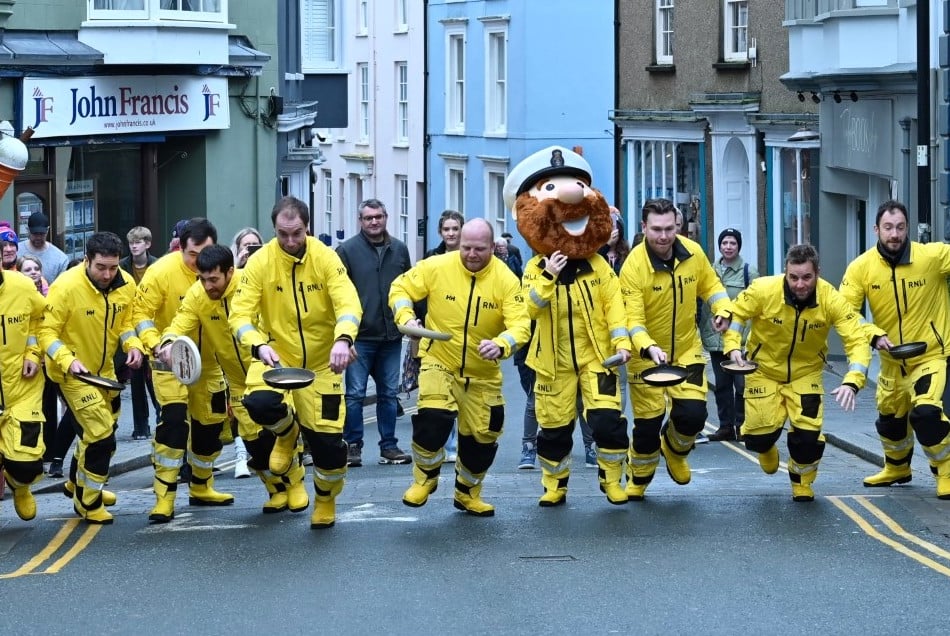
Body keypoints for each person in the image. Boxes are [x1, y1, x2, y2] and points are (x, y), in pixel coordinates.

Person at [505, 146, 632, 506]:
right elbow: (527, 308)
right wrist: (549, 276)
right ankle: (554, 485)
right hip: (552, 363)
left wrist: (622, 343)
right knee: (555, 431)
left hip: (599, 358)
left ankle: (612, 480)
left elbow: (614, 306)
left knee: (608, 422)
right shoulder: (534, 268)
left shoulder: (599, 266)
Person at [230, 195, 363, 530]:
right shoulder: (261, 262)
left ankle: (325, 499)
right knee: (257, 403)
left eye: (297, 233)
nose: (290, 241)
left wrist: (344, 339)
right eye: (282, 233)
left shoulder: (326, 258)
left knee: (329, 449)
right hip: (277, 357)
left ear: (308, 227)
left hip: (323, 363)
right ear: (274, 229)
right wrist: (258, 345)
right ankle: (287, 434)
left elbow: (348, 302)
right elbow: (240, 315)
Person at [720, 244, 882, 501]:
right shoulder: (764, 289)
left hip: (806, 374)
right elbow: (738, 313)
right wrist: (732, 347)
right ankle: (765, 448)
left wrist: (852, 381)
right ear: (785, 271)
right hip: (763, 370)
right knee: (757, 438)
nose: (800, 284)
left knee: (808, 437)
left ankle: (802, 481)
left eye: (807, 277)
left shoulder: (831, 299)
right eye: (793, 277)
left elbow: (856, 340)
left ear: (818, 272)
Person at [391, 218, 530, 516]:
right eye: (466, 247)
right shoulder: (437, 266)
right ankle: (425, 479)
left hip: (483, 371)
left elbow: (521, 324)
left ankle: (467, 493)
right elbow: (400, 287)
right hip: (439, 360)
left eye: (479, 249)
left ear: (493, 247)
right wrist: (406, 316)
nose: (471, 254)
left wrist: (502, 343)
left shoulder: (505, 279)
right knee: (433, 419)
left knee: (482, 439)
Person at [157, 244, 308, 514]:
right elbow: (179, 324)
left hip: (265, 368)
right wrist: (168, 343)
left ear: (230, 272)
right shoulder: (197, 295)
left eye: (213, 279)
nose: (207, 285)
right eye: (202, 279)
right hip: (236, 380)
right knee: (253, 441)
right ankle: (276, 489)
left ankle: (295, 482)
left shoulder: (250, 285)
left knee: (272, 426)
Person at [619, 197, 730, 500]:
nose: (664, 236)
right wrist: (648, 347)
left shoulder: (693, 253)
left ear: (677, 226)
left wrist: (722, 309)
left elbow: (712, 286)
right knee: (647, 426)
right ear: (644, 228)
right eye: (656, 229)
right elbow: (632, 319)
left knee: (694, 415)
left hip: (686, 349)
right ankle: (639, 478)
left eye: (669, 228)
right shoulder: (633, 267)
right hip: (646, 357)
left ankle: (675, 450)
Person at [839, 200, 950, 498]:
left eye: (900, 227)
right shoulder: (861, 267)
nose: (894, 234)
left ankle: (947, 471)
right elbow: (844, 312)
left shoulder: (932, 257)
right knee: (889, 420)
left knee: (926, 414)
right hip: (890, 360)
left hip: (929, 355)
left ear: (908, 229)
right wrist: (872, 334)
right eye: (888, 227)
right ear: (876, 229)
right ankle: (897, 467)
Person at [39, 232, 145, 523]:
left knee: (96, 432)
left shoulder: (125, 283)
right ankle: (88, 501)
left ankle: (78, 483)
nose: (108, 274)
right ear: (87, 259)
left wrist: (133, 346)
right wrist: (67, 360)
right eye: (101, 267)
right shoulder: (66, 286)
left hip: (105, 373)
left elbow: (125, 323)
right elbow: (45, 332)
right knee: (101, 435)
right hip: (71, 374)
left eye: (112, 267)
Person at [134, 218, 232, 524]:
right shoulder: (161, 271)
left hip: (210, 364)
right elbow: (140, 314)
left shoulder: (225, 273)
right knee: (173, 424)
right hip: (169, 364)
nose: (198, 260)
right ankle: (165, 497)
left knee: (210, 426)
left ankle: (202, 485)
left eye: (205, 252)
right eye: (192, 254)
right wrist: (154, 343)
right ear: (181, 247)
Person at [337, 199, 412, 467]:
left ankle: (389, 447)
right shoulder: (346, 251)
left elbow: (409, 287)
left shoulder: (400, 250)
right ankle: (353, 446)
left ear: (386, 217)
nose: (374, 222)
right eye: (368, 218)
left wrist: (414, 323)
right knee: (355, 394)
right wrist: (343, 336)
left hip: (391, 336)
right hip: (360, 337)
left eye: (378, 217)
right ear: (360, 221)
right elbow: (337, 294)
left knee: (389, 394)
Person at [0, 254, 47, 522]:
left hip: (21, 388)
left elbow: (40, 320)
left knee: (27, 465)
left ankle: (21, 485)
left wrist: (32, 353)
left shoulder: (21, 286)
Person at [699, 228, 758, 441]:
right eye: (725, 243)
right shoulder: (709, 271)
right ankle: (725, 427)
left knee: (741, 385)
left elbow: (756, 305)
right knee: (722, 385)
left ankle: (742, 425)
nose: (728, 247)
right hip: (715, 339)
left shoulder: (748, 272)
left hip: (740, 340)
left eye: (733, 243)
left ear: (738, 246)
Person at [417, 209, 465, 462]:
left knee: (461, 395)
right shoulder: (431, 258)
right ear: (440, 232)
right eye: (446, 229)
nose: (450, 233)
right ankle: (446, 446)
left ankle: (458, 444)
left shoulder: (471, 257)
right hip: (436, 334)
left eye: (455, 229)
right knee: (439, 396)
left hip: (463, 334)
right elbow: (421, 294)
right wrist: (420, 322)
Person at [228, 226, 265, 477]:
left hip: (261, 352)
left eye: (255, 246)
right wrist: (240, 268)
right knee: (239, 411)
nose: (250, 250)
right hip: (233, 355)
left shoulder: (265, 272)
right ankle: (242, 456)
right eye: (245, 246)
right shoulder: (229, 276)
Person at [119, 226, 160, 441]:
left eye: (139, 241)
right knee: (136, 378)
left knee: (154, 376)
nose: (134, 246)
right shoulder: (122, 267)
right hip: (130, 329)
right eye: (132, 242)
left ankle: (161, 415)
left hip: (152, 327)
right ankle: (140, 426)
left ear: (147, 244)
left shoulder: (158, 266)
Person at [20, 212, 69, 283]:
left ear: (48, 230)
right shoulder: (16, 251)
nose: (38, 237)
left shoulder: (60, 259)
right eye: (35, 234)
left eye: (42, 234)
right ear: (28, 230)